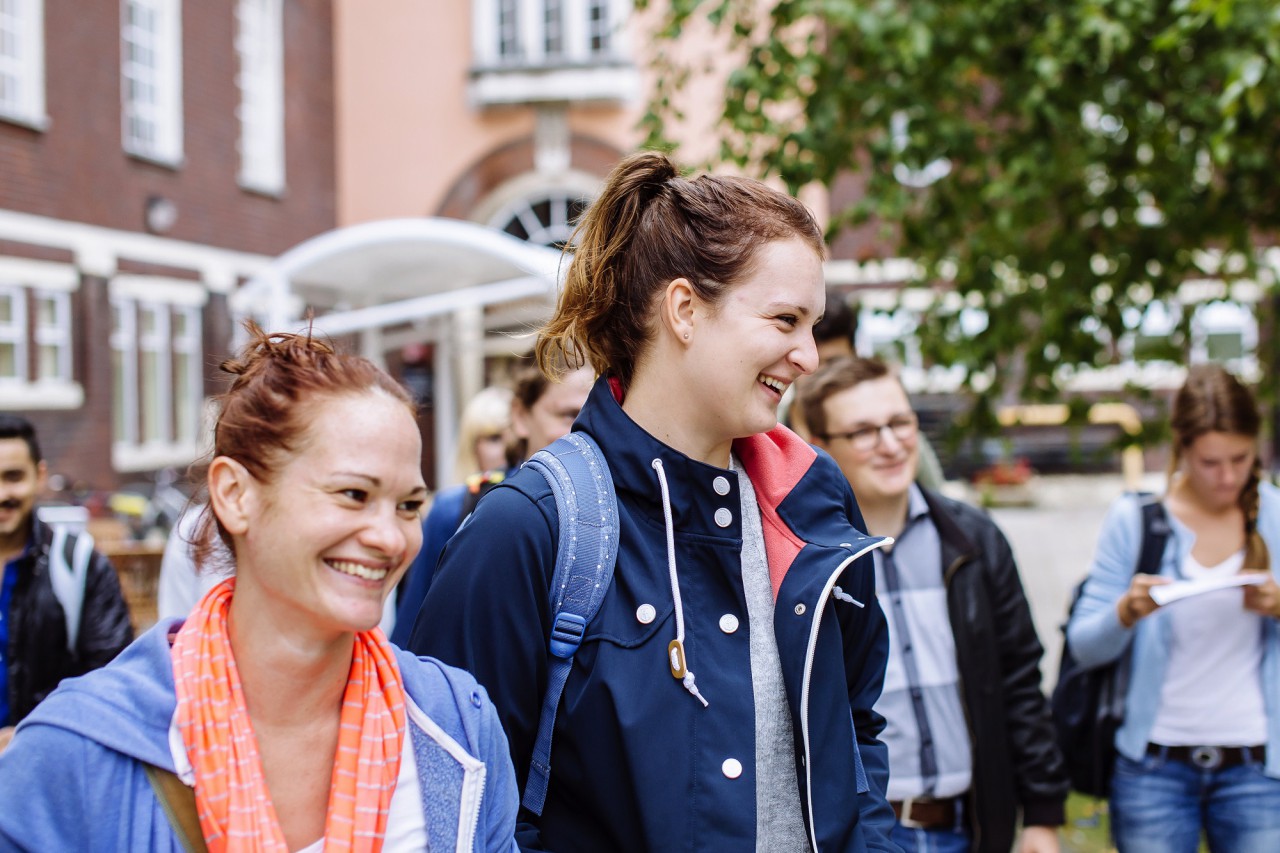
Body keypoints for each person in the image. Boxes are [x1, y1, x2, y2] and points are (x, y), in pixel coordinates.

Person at [409, 150, 897, 851]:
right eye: (785, 319)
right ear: (685, 310)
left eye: (812, 326)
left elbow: (856, 729)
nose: (809, 357)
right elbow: (453, 802)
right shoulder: (526, 528)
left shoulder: (813, 498)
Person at [0, 328, 519, 850]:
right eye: (353, 494)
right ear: (235, 495)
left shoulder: (459, 726)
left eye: (408, 505)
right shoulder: (72, 754)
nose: (390, 538)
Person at [799, 356, 1067, 853]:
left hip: (971, 826)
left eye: (900, 422)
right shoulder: (806, 562)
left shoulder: (975, 541)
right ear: (819, 445)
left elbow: (1019, 681)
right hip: (867, 832)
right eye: (863, 432)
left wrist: (1042, 814)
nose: (890, 444)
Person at [1067, 363, 1280, 852]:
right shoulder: (1136, 520)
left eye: (1240, 458)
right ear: (1181, 449)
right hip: (1153, 770)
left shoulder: (1274, 514)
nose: (1228, 477)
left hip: (1258, 768)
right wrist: (1126, 611)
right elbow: (1084, 647)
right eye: (1210, 462)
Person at [390, 364, 593, 646]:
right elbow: (410, 640)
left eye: (598, 415)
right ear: (520, 415)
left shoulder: (617, 517)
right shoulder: (458, 510)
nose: (586, 430)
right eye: (569, 415)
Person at [0, 414, 132, 753]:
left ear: (40, 475)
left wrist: (34, 733)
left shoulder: (80, 566)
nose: (2, 494)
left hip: (48, 769)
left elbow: (110, 681)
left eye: (13, 477)